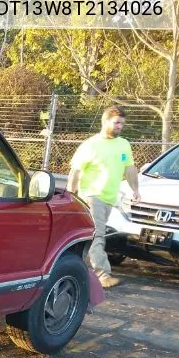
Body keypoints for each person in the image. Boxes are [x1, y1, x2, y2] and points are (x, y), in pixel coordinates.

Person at [67, 106, 141, 288]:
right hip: (92, 196)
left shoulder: (123, 144)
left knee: (90, 236)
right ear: (105, 121)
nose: (120, 126)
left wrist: (136, 190)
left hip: (110, 198)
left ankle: (74, 270)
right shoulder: (91, 145)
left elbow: (129, 169)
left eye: (122, 123)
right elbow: (75, 172)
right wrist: (71, 195)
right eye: (116, 122)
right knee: (97, 235)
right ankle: (103, 275)